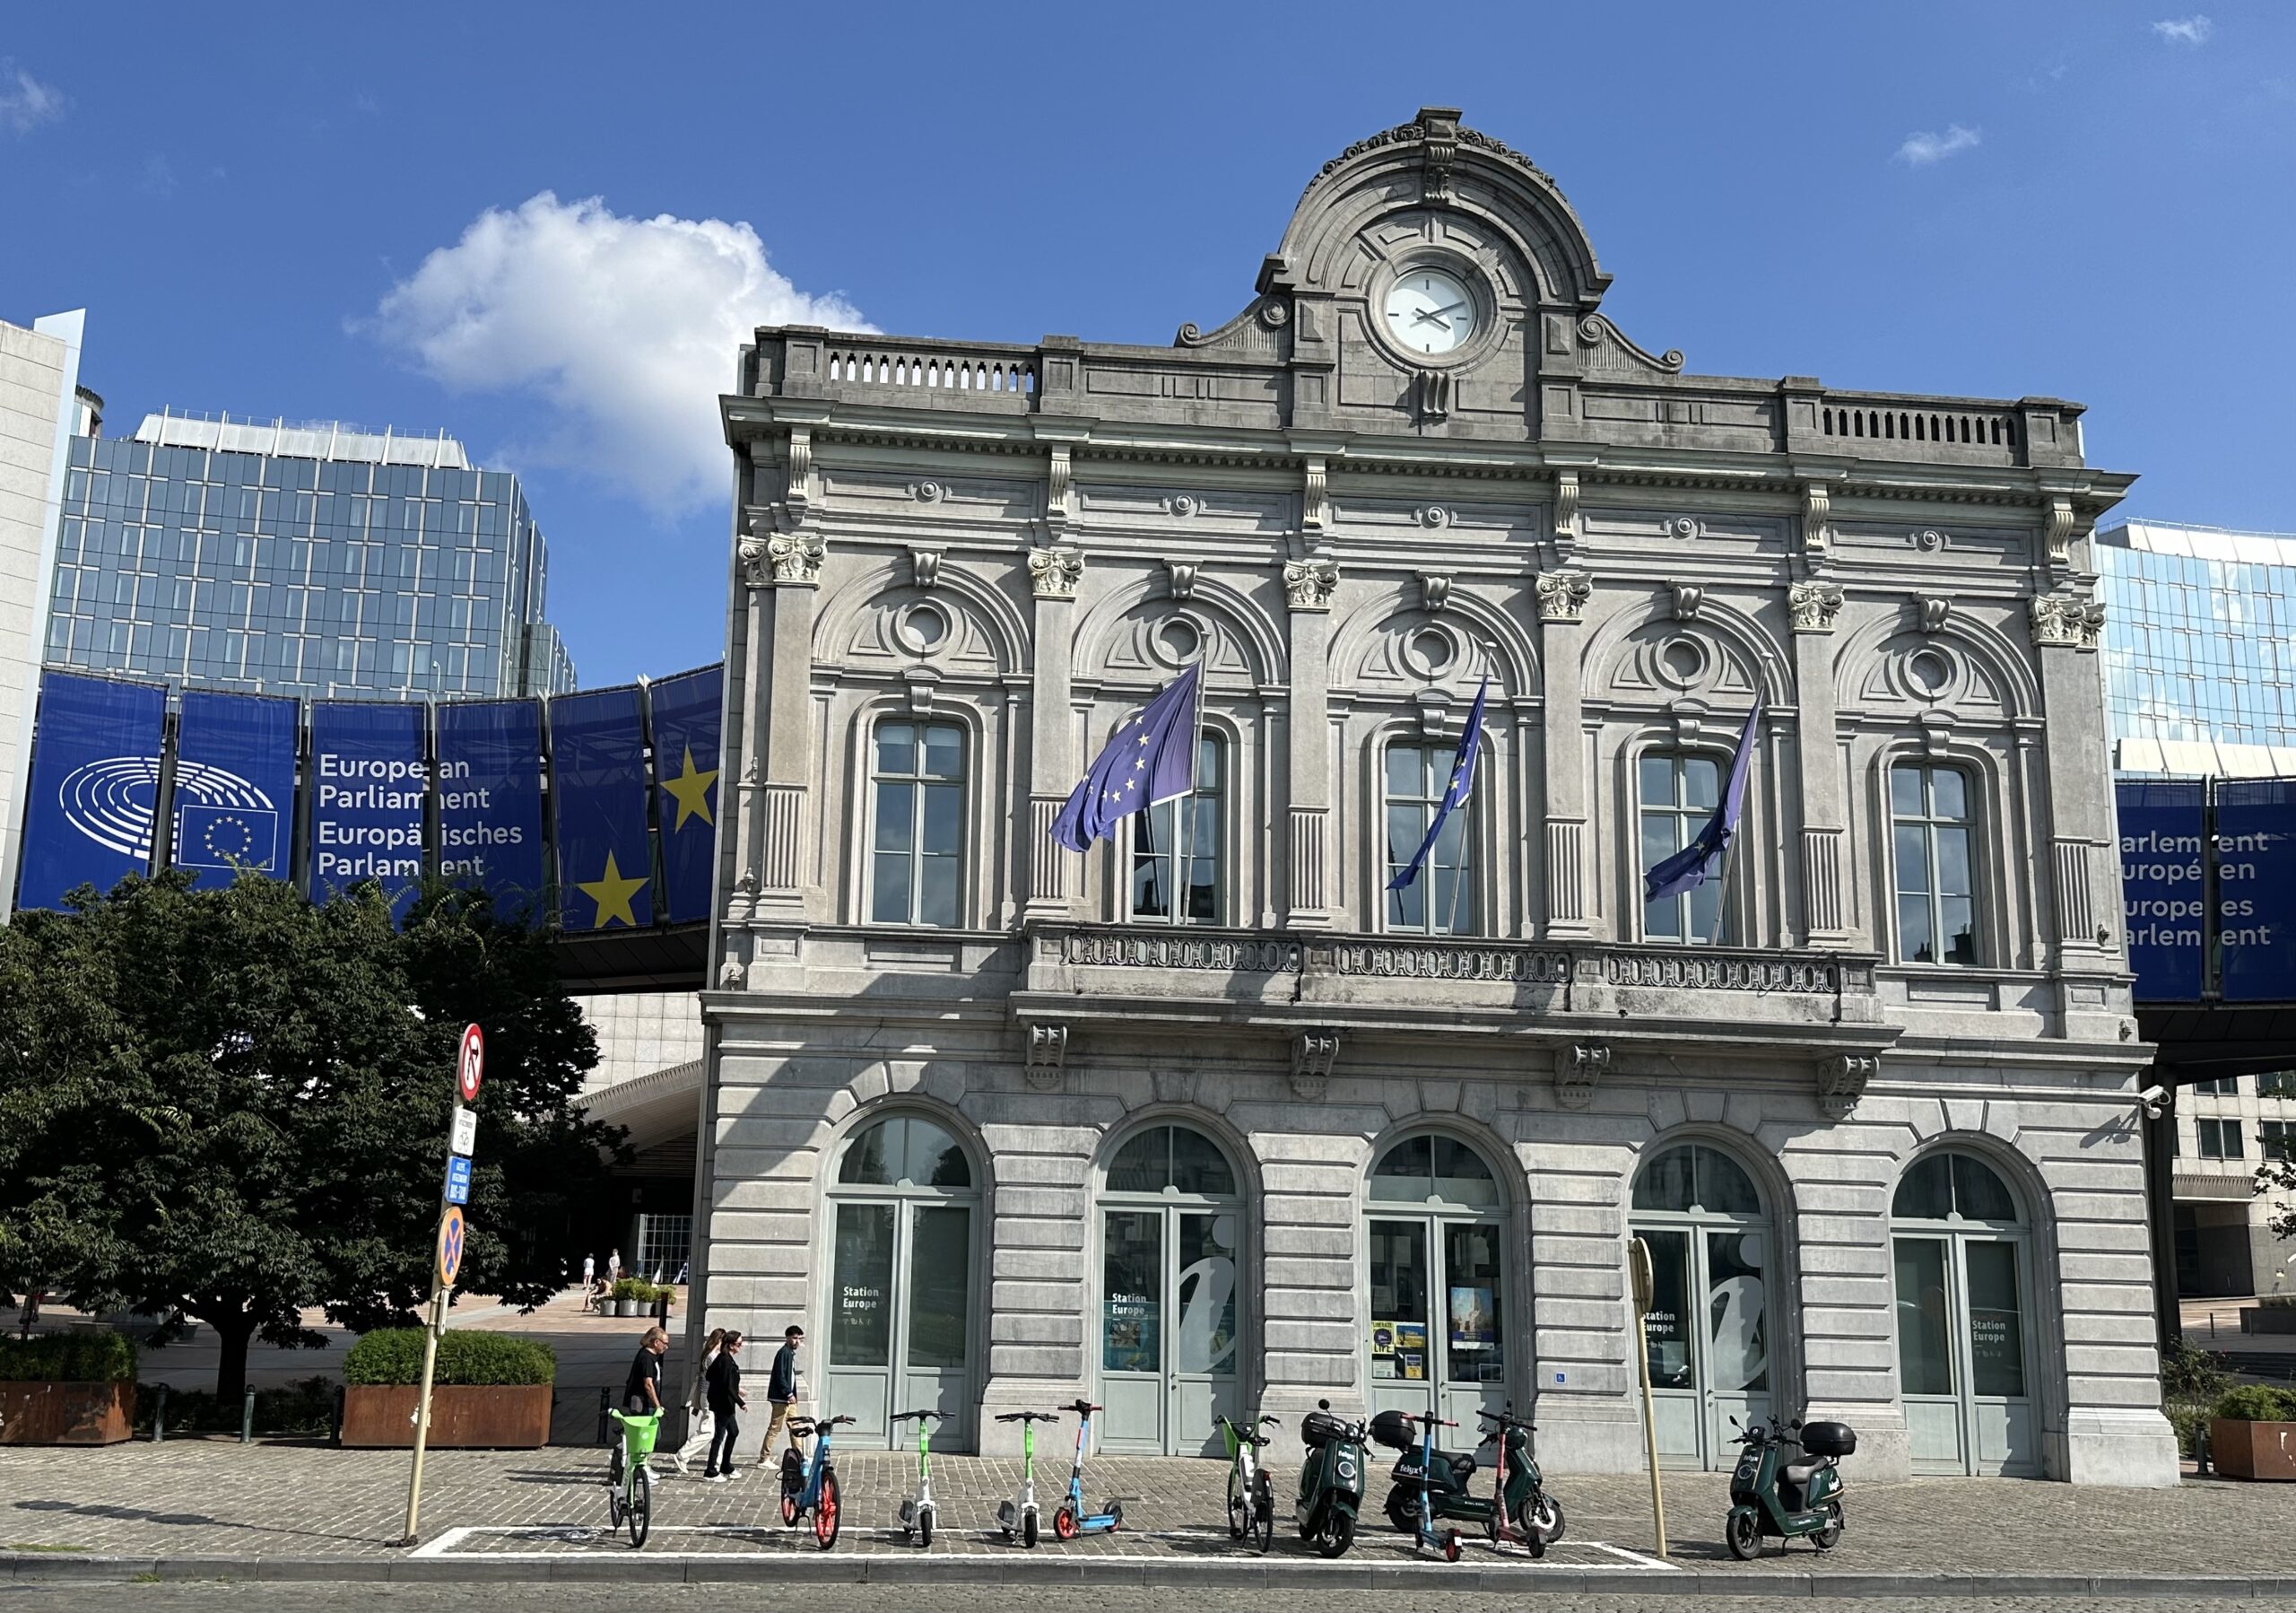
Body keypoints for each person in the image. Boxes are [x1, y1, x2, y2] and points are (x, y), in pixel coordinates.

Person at [672, 1328, 726, 1477]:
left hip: (710, 1395)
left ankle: (718, 1463)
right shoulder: (712, 1356)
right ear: (719, 1341)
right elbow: (717, 1377)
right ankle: (683, 1454)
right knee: (708, 1431)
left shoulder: (711, 1355)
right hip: (710, 1396)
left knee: (717, 1431)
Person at [756, 1324, 804, 1465]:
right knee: (775, 1428)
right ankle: (764, 1458)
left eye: (800, 1339)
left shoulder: (789, 1353)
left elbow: (790, 1377)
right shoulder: (784, 1353)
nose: (797, 1342)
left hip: (788, 1399)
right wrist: (788, 1393)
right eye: (795, 1338)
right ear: (788, 1338)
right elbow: (780, 1376)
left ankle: (800, 1456)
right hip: (781, 1399)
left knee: (796, 1426)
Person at [703, 1331, 746, 1481]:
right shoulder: (725, 1360)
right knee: (719, 1436)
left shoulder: (724, 1359)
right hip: (723, 1403)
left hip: (724, 1403)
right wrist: (741, 1402)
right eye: (739, 1344)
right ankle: (710, 1471)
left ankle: (726, 1466)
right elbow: (727, 1385)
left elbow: (711, 1375)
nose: (741, 1347)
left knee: (733, 1432)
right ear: (730, 1345)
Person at [623, 1325, 670, 1415]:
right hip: (644, 1405)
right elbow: (648, 1384)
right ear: (656, 1342)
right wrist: (658, 1406)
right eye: (665, 1344)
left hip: (647, 1405)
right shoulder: (646, 1358)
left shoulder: (651, 1355)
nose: (666, 1347)